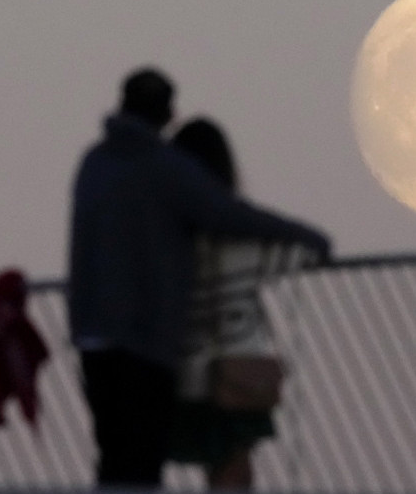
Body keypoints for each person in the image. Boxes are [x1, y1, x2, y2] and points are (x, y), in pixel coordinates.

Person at [67, 67, 330, 488]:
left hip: (93, 334)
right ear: (167, 111)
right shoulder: (162, 167)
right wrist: (306, 237)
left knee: (114, 460)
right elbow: (225, 213)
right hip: (145, 340)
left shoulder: (93, 164)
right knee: (142, 459)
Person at [168, 117, 315, 489]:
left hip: (180, 371)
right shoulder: (246, 237)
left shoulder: (164, 237)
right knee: (234, 469)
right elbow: (302, 254)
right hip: (240, 369)